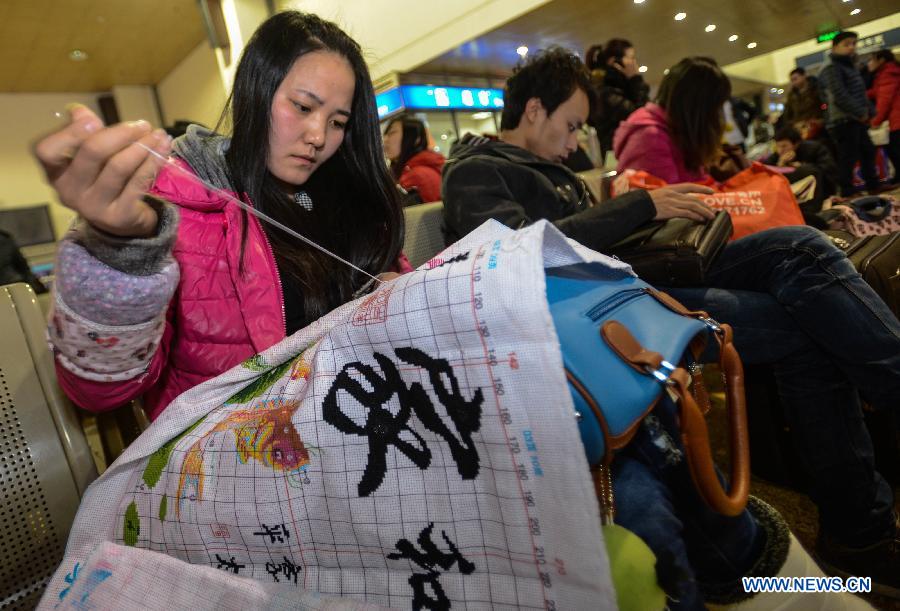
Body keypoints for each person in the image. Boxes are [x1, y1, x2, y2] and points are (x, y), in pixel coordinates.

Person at [442, 47, 900, 603]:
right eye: (570, 126)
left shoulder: (556, 170)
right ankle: (860, 529)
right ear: (534, 110)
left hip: (635, 284)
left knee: (801, 247)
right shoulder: (475, 170)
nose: (573, 143)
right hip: (609, 313)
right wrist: (642, 207)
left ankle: (861, 523)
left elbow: (595, 240)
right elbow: (507, 258)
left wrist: (647, 212)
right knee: (805, 324)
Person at [33, 11, 410, 422]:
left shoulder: (345, 198)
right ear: (256, 91)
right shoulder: (175, 205)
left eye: (337, 122)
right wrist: (121, 251)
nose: (318, 136)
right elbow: (99, 393)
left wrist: (393, 295)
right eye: (302, 106)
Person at [613, 56, 728, 184]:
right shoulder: (651, 137)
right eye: (717, 107)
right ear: (700, 108)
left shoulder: (674, 130)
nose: (719, 116)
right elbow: (668, 199)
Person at [818, 31, 881, 196]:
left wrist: (870, 112)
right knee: (848, 157)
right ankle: (847, 190)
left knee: (867, 151)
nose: (851, 47)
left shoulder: (849, 64)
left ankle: (873, 186)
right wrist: (861, 112)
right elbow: (839, 95)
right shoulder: (831, 67)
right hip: (843, 119)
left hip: (855, 118)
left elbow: (859, 92)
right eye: (846, 44)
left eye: (853, 43)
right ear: (835, 46)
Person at [585, 39, 649, 158]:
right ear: (614, 62)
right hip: (621, 158)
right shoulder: (605, 93)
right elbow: (642, 118)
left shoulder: (622, 89)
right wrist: (636, 80)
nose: (634, 63)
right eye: (630, 58)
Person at [765, 125, 838, 219]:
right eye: (778, 146)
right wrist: (780, 166)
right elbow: (765, 174)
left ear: (796, 144)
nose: (780, 150)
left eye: (784, 146)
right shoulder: (776, 156)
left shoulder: (814, 149)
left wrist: (803, 168)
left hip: (818, 194)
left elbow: (829, 170)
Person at [382, 114, 445, 203]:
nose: (385, 139)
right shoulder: (413, 170)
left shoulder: (416, 176)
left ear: (415, 138)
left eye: (391, 133)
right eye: (385, 134)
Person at [867, 49, 900, 184]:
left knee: (895, 149)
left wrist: (876, 120)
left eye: (872, 59)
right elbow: (876, 92)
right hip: (895, 117)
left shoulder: (888, 74)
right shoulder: (886, 73)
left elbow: (884, 100)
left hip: (897, 118)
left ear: (881, 60)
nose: (870, 63)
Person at [781, 67, 824, 137]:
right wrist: (794, 124)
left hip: (818, 127)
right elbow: (788, 114)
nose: (794, 82)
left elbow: (824, 105)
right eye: (792, 80)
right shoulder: (792, 95)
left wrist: (820, 121)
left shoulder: (816, 89)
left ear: (804, 76)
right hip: (800, 129)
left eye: (795, 79)